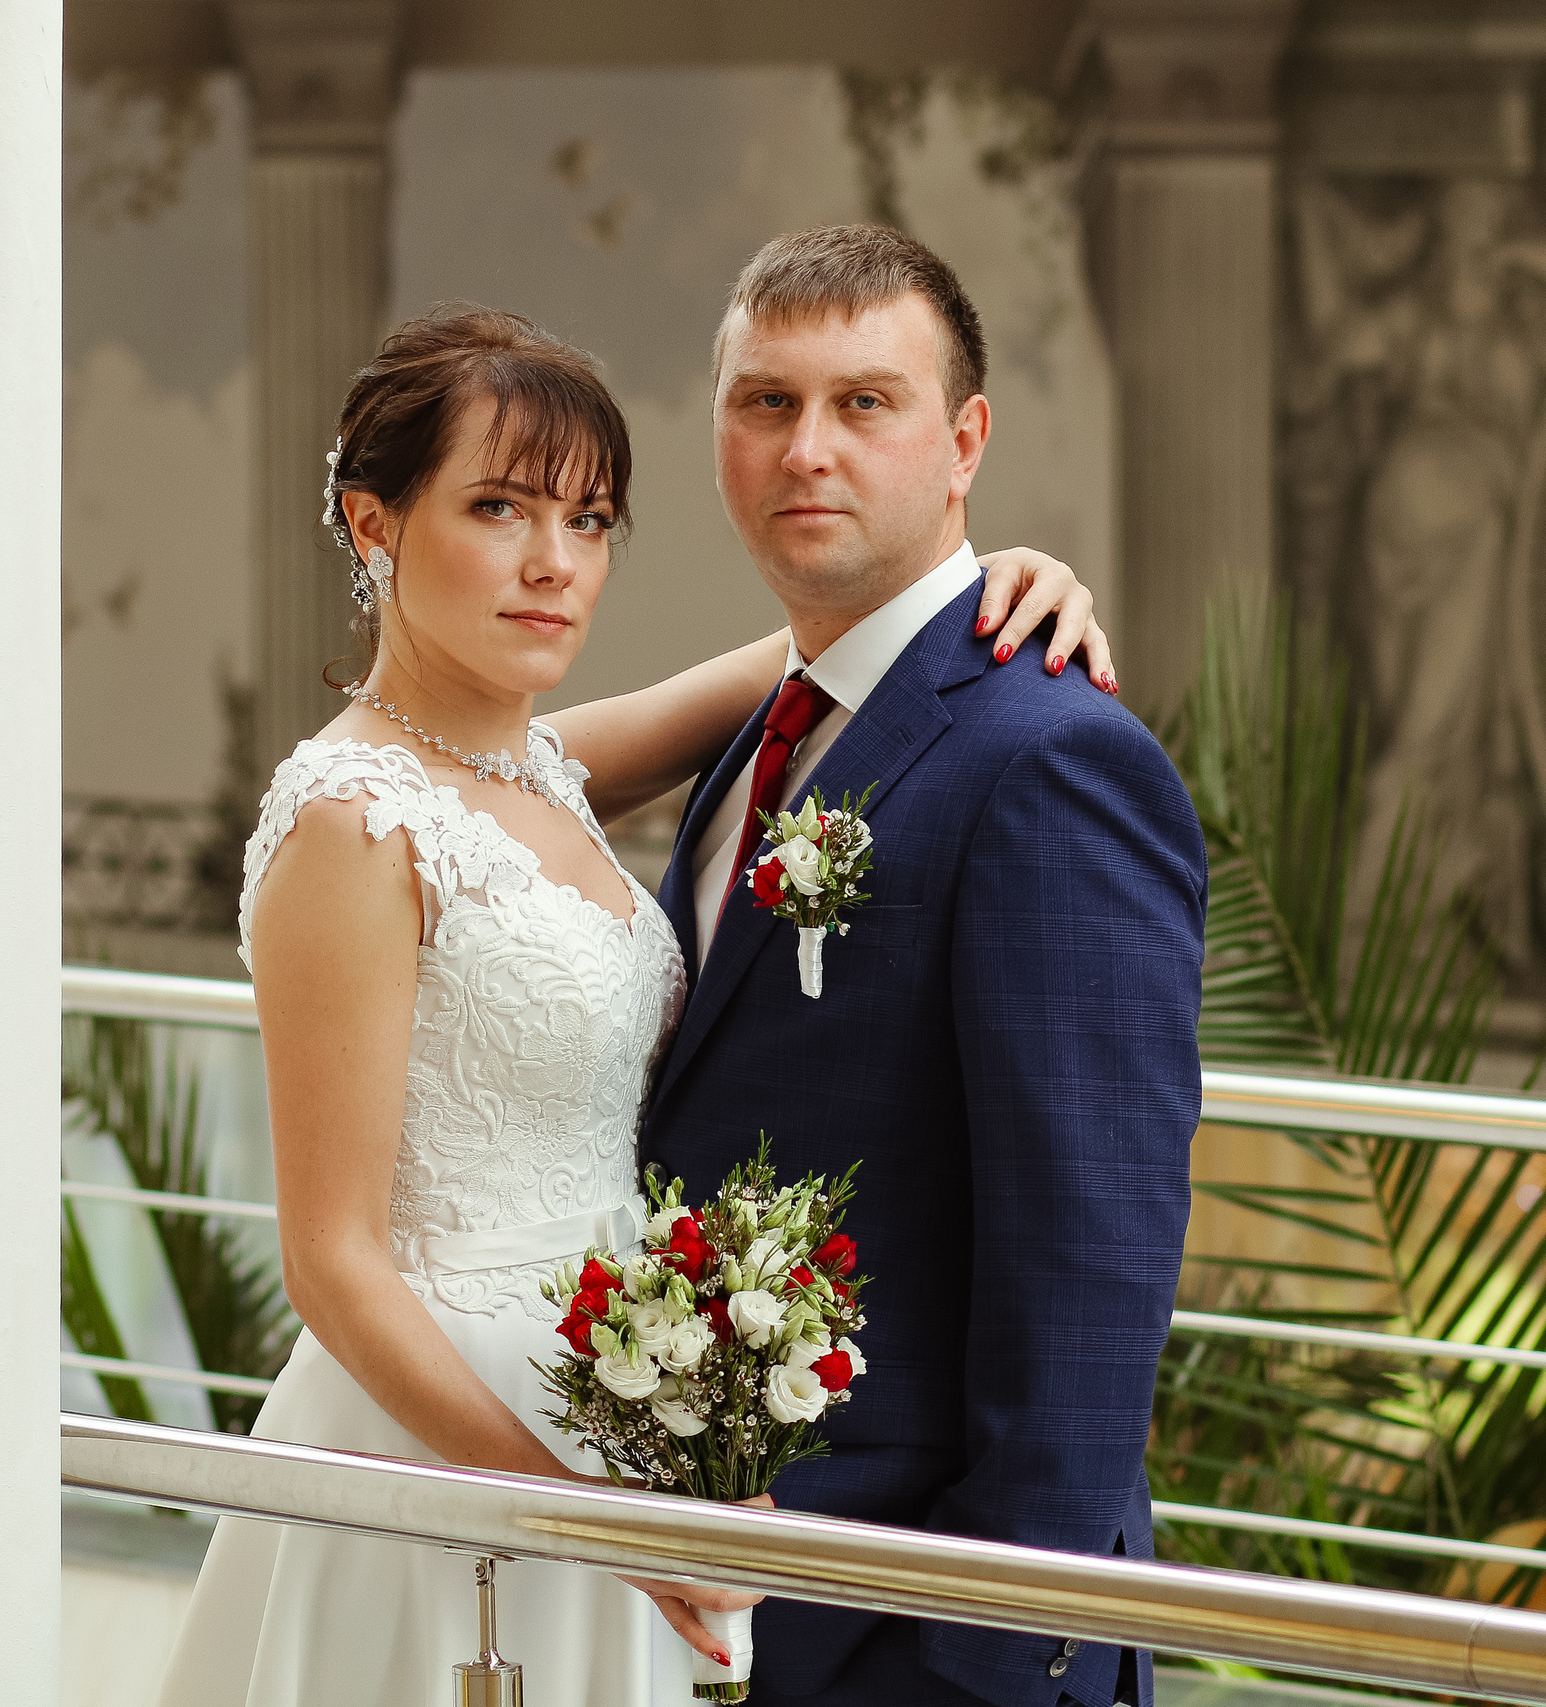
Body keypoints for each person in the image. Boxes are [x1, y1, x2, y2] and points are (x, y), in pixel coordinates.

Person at [158, 304, 1116, 1707]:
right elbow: (335, 1262)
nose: (556, 565)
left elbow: (839, 649)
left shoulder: (535, 769)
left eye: (592, 520)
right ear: (374, 526)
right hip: (451, 1441)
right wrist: (572, 1507)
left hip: (627, 1401)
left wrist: (995, 578)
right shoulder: (354, 824)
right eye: (498, 509)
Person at [641, 225, 1206, 1706]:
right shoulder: (771, 731)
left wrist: (1002, 1657)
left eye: (863, 404)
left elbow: (1091, 1260)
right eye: (766, 403)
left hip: (928, 1631)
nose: (806, 448)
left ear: (962, 444)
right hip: (731, 1594)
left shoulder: (1053, 756)